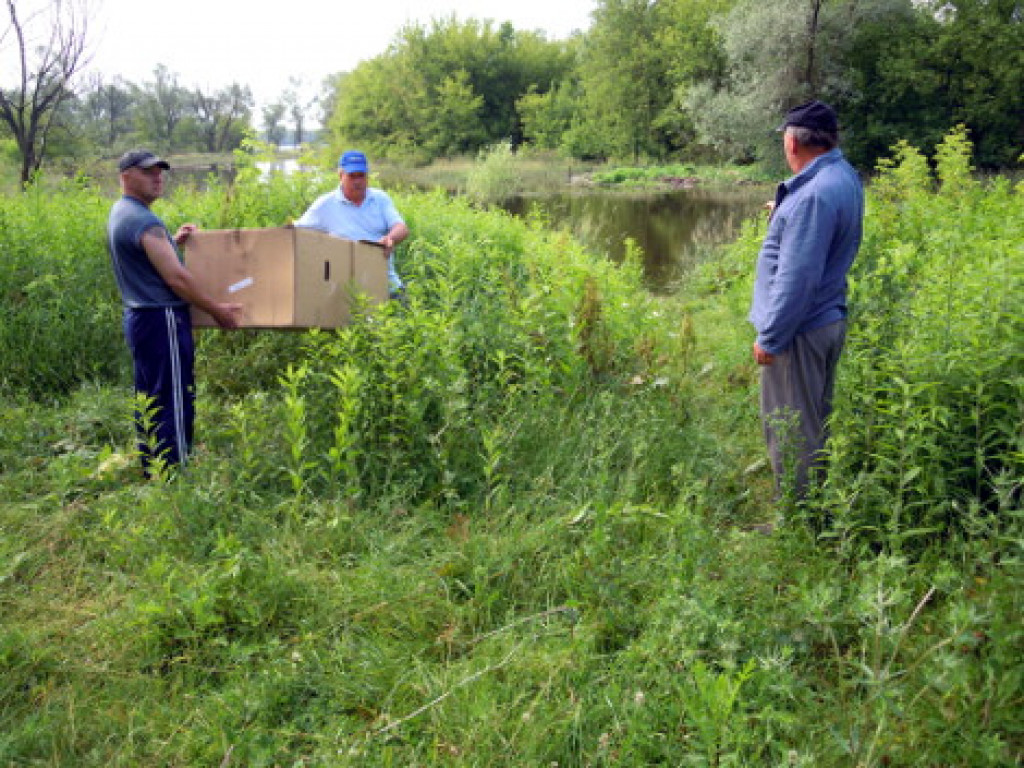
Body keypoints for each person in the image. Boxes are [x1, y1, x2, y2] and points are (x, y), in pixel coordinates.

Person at [749, 100, 864, 498]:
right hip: (824, 320)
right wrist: (784, 212)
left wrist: (771, 337)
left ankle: (797, 523)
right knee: (812, 421)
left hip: (800, 330)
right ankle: (814, 509)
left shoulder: (814, 196)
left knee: (790, 426)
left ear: (793, 142)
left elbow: (797, 279)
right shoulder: (840, 178)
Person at [106, 149, 241, 471]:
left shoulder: (122, 212)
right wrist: (217, 310)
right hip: (162, 317)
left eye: (160, 172)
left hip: (140, 317)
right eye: (148, 172)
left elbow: (146, 258)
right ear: (126, 176)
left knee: (150, 394)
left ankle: (152, 463)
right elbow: (176, 278)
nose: (157, 178)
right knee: (173, 396)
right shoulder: (143, 220)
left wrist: (172, 242)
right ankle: (174, 471)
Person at [295, 150, 410, 298]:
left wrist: (390, 239)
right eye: (352, 176)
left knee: (408, 316)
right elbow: (295, 232)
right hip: (346, 292)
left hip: (387, 284)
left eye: (361, 175)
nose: (357, 181)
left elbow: (401, 228)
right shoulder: (325, 205)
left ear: (367, 176)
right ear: (340, 175)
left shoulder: (380, 199)